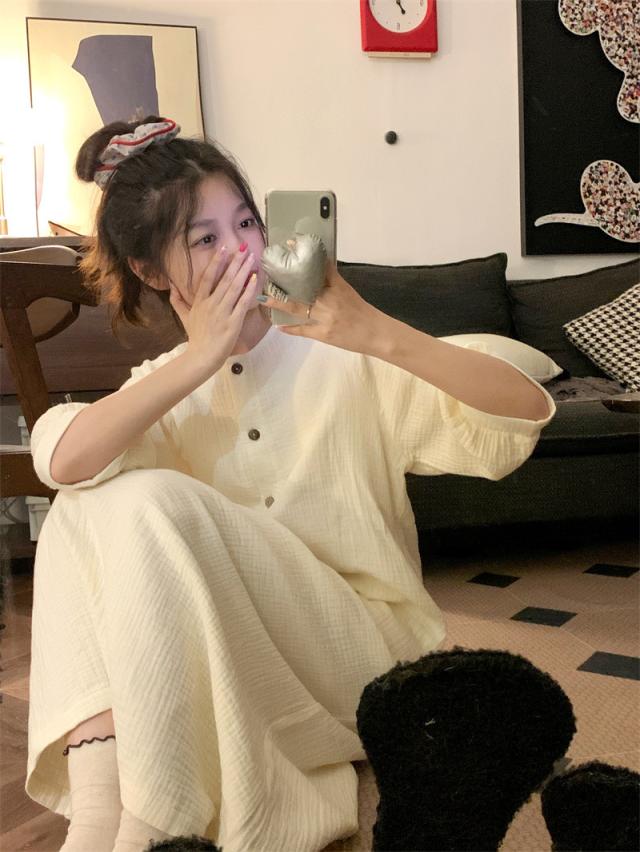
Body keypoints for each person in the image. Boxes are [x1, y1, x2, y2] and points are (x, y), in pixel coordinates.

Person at [24, 115, 556, 852]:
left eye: (246, 222)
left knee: (142, 496)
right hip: (246, 661)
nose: (241, 249)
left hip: (365, 659)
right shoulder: (165, 387)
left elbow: (520, 413)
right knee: (86, 503)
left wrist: (373, 330)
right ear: (151, 272)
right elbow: (61, 461)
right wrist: (199, 358)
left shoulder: (345, 355)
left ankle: (149, 825)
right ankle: (100, 818)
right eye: (204, 239)